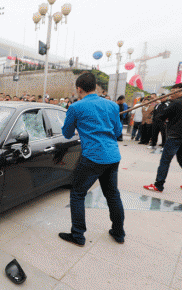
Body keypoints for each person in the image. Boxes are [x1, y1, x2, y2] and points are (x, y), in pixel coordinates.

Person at [59, 72, 125, 246]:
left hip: (93, 158)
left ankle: (78, 235)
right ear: (95, 87)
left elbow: (66, 133)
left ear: (79, 89)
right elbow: (118, 132)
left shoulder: (76, 107)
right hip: (113, 156)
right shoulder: (112, 106)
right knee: (112, 194)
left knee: (78, 194)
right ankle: (118, 233)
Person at [143, 83, 182, 193]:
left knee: (165, 161)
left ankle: (158, 185)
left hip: (174, 137)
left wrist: (170, 121)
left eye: (174, 91)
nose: (171, 94)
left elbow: (160, 117)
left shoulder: (177, 102)